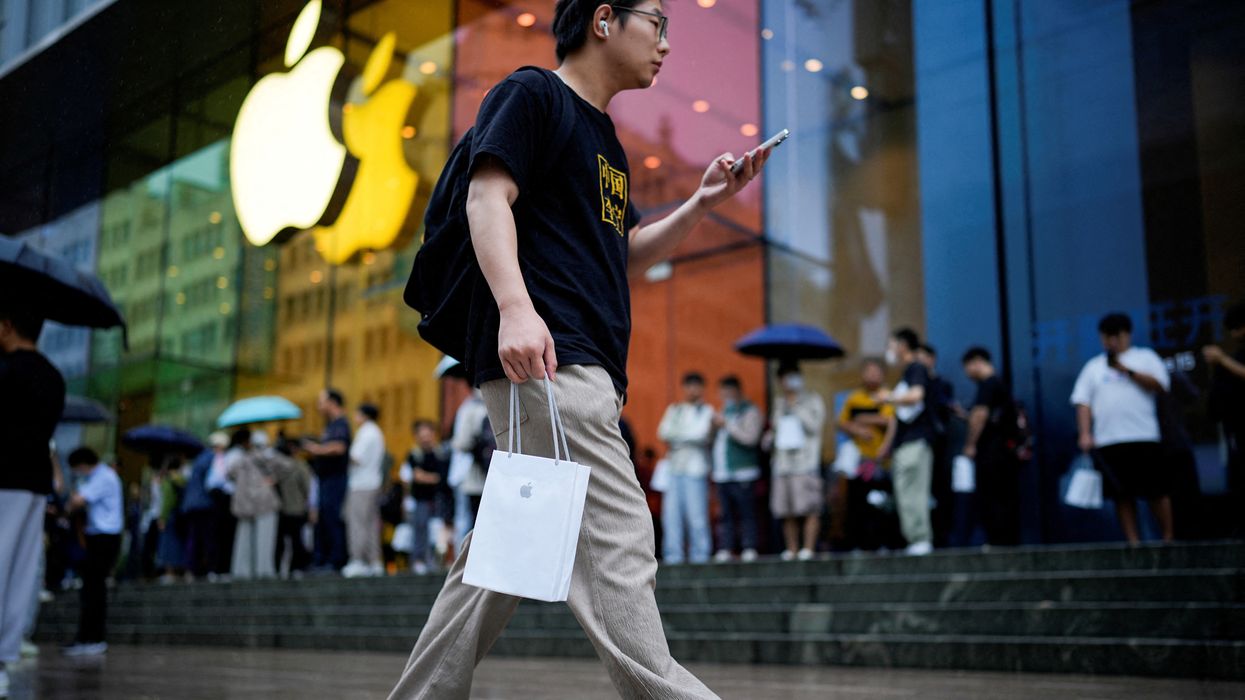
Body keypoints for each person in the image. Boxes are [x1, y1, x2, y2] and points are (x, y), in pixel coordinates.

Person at [388, 1, 768, 696]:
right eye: (655, 23)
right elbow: (486, 198)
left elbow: (616, 252)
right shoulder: (532, 94)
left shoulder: (606, 142)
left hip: (565, 369)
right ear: (602, 19)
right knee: (621, 547)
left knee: (499, 561)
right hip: (553, 365)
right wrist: (515, 309)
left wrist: (700, 204)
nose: (665, 45)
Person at [0, 306, 65, 693]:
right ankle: (3, 660)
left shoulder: (7, 370)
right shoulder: (52, 376)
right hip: (33, 481)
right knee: (19, 572)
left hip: (4, 478)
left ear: (8, 324)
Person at [1072, 312, 1172, 544]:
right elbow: (1082, 402)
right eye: (1106, 337)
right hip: (1109, 440)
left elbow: (1160, 385)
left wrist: (1126, 371)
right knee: (1121, 494)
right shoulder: (1094, 367)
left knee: (1156, 490)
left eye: (1115, 336)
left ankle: (1168, 537)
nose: (1110, 342)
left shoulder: (1145, 358)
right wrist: (1085, 433)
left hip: (1144, 436)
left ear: (1127, 335)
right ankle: (1133, 542)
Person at [876, 327, 936, 556]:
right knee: (905, 492)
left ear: (902, 346)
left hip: (916, 443)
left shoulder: (916, 368)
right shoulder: (906, 373)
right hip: (904, 444)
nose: (889, 351)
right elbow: (896, 418)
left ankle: (921, 539)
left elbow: (916, 396)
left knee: (914, 491)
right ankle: (915, 539)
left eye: (891, 345)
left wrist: (889, 397)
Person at [62, 448, 123, 657]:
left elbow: (77, 501)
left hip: (104, 538)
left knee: (94, 589)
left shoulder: (103, 477)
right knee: (91, 588)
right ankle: (88, 637)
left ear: (82, 464)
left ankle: (93, 638)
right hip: (100, 537)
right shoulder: (102, 476)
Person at [960, 347, 1021, 546]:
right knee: (1003, 497)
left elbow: (980, 415)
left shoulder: (988, 384)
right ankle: (1005, 541)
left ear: (976, 362)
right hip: (1004, 451)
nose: (967, 373)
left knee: (993, 497)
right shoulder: (999, 384)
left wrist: (970, 444)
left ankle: (998, 542)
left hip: (993, 453)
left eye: (967, 367)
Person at [837, 357, 897, 552]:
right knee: (856, 504)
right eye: (868, 371)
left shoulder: (888, 396)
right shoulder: (854, 398)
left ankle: (883, 543)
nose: (872, 375)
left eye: (876, 371)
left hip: (882, 461)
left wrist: (863, 417)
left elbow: (890, 421)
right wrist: (859, 430)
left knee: (881, 503)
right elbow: (842, 422)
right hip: (859, 461)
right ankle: (858, 544)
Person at [769, 362, 826, 561]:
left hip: (806, 462)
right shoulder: (778, 402)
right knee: (786, 509)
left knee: (810, 507)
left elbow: (815, 426)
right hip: (783, 462)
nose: (788, 382)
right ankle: (791, 549)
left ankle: (808, 548)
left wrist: (796, 406)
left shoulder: (812, 399)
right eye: (784, 378)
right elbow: (776, 430)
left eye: (792, 376)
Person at [657, 372, 714, 565]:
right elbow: (663, 432)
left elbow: (701, 434)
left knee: (697, 516)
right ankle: (674, 556)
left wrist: (678, 437)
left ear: (702, 389)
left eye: (697, 386)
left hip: (695, 469)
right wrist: (687, 436)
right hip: (674, 469)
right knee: (671, 516)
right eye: (689, 385)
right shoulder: (675, 409)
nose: (693, 390)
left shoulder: (707, 410)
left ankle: (701, 556)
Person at [710, 375, 762, 563]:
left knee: (746, 512)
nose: (726, 396)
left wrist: (728, 425)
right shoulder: (721, 411)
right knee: (725, 514)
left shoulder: (750, 411)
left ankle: (749, 546)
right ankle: (726, 547)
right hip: (722, 473)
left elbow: (751, 438)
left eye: (729, 392)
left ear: (738, 391)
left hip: (743, 472)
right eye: (722, 392)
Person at [1205, 302, 1245, 536]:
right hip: (1235, 431)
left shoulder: (1229, 360)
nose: (1234, 334)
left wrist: (1222, 361)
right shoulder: (1234, 356)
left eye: (1237, 327)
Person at [302, 389, 351, 572]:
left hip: (335, 480)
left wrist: (315, 449)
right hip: (325, 480)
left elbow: (339, 447)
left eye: (321, 401)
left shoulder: (341, 424)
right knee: (322, 519)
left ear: (332, 402)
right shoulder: (330, 426)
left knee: (332, 518)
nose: (319, 406)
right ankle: (322, 559)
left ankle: (335, 560)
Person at [917, 343, 958, 547]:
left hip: (939, 445)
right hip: (919, 444)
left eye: (922, 358)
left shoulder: (941, 384)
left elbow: (946, 407)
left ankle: (942, 537)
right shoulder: (913, 384)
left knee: (940, 489)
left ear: (932, 359)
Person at [229, 430, 281, 580]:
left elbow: (229, 474)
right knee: (265, 538)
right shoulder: (268, 457)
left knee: (243, 539)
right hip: (264, 501)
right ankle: (263, 570)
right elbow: (286, 467)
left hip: (244, 503)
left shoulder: (240, 459)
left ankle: (242, 571)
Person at [401, 420, 449, 575]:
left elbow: (442, 477)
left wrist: (426, 477)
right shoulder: (414, 454)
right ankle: (418, 560)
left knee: (438, 532)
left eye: (428, 435)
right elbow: (416, 476)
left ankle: (436, 561)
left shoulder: (441, 453)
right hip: (420, 499)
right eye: (422, 436)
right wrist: (433, 478)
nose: (425, 439)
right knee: (419, 530)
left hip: (438, 499)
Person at [344, 403, 385, 578]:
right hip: (373, 482)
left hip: (361, 484)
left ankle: (357, 560)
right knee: (370, 524)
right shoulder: (376, 432)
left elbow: (355, 457)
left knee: (358, 523)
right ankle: (374, 561)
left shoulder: (366, 432)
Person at [447, 384, 489, 553]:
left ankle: (468, 561)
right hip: (500, 474)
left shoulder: (470, 409)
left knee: (472, 521)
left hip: (476, 476)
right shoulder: (506, 401)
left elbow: (461, 443)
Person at [182, 432, 227, 579]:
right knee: (209, 537)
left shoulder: (198, 458)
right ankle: (210, 569)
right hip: (206, 504)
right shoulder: (215, 458)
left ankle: (191, 569)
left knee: (193, 537)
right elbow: (214, 483)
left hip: (191, 504)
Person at [273, 435, 313, 577]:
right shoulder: (299, 466)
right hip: (292, 509)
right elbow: (309, 489)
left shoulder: (279, 465)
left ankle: (291, 568)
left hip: (290, 509)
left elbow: (308, 489)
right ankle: (292, 568)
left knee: (293, 541)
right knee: (292, 541)